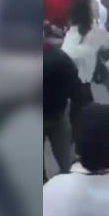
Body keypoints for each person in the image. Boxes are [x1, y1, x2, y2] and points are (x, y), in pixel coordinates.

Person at [43, 43, 85, 180]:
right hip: (57, 113)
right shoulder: (60, 57)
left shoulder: (59, 59)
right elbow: (77, 91)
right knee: (66, 161)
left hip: (56, 114)